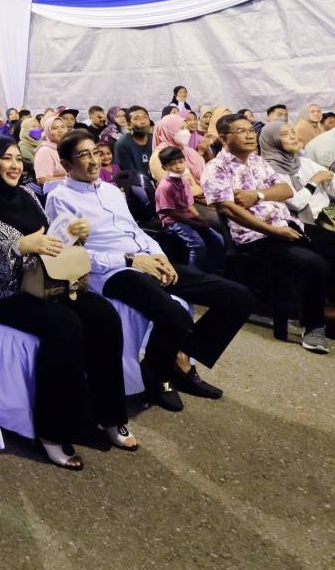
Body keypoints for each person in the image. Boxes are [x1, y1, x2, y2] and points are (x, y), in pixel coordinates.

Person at [0, 137, 137, 468]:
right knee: (63, 325)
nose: (13, 165)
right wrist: (20, 246)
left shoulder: (25, 196)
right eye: (4, 159)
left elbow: (51, 238)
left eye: (15, 159)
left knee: (102, 314)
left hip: (42, 280)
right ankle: (52, 431)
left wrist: (74, 234)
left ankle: (108, 414)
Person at [46, 131, 253, 409]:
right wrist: (130, 260)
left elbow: (134, 230)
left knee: (238, 297)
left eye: (95, 152)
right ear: (67, 165)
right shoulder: (60, 197)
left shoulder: (109, 190)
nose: (94, 161)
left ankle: (179, 359)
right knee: (174, 314)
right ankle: (159, 378)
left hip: (146, 259)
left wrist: (158, 254)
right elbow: (72, 253)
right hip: (111, 273)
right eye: (84, 156)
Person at [202, 114, 330, 354]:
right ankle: (313, 326)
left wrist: (257, 195)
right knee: (315, 264)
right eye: (241, 131)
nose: (250, 135)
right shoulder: (216, 168)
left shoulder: (259, 162)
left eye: (251, 130)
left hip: (287, 224)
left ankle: (325, 310)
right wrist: (274, 231)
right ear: (223, 137)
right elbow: (231, 210)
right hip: (255, 237)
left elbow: (286, 190)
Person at [259, 120, 335, 248]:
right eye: (284, 134)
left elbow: (331, 182)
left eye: (293, 132)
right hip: (303, 224)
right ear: (272, 141)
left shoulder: (303, 162)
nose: (293, 136)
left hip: (328, 214)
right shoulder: (268, 170)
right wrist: (315, 180)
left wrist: (328, 181)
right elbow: (296, 204)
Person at [154, 146, 224, 272]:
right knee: (197, 245)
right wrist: (193, 223)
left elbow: (189, 204)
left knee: (218, 239)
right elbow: (170, 212)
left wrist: (200, 219)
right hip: (173, 220)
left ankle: (213, 269)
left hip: (187, 216)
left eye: (180, 162)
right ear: (165, 167)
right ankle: (193, 273)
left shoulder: (184, 181)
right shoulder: (165, 186)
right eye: (173, 164)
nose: (178, 166)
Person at [113, 106, 153, 175]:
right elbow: (129, 174)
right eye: (136, 119)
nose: (142, 121)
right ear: (128, 125)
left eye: (145, 117)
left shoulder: (154, 138)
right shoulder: (122, 144)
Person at [33, 115, 69, 185]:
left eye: (63, 127)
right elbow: (42, 179)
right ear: (48, 131)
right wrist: (71, 180)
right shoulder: (44, 151)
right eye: (55, 128)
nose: (60, 130)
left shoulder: (65, 148)